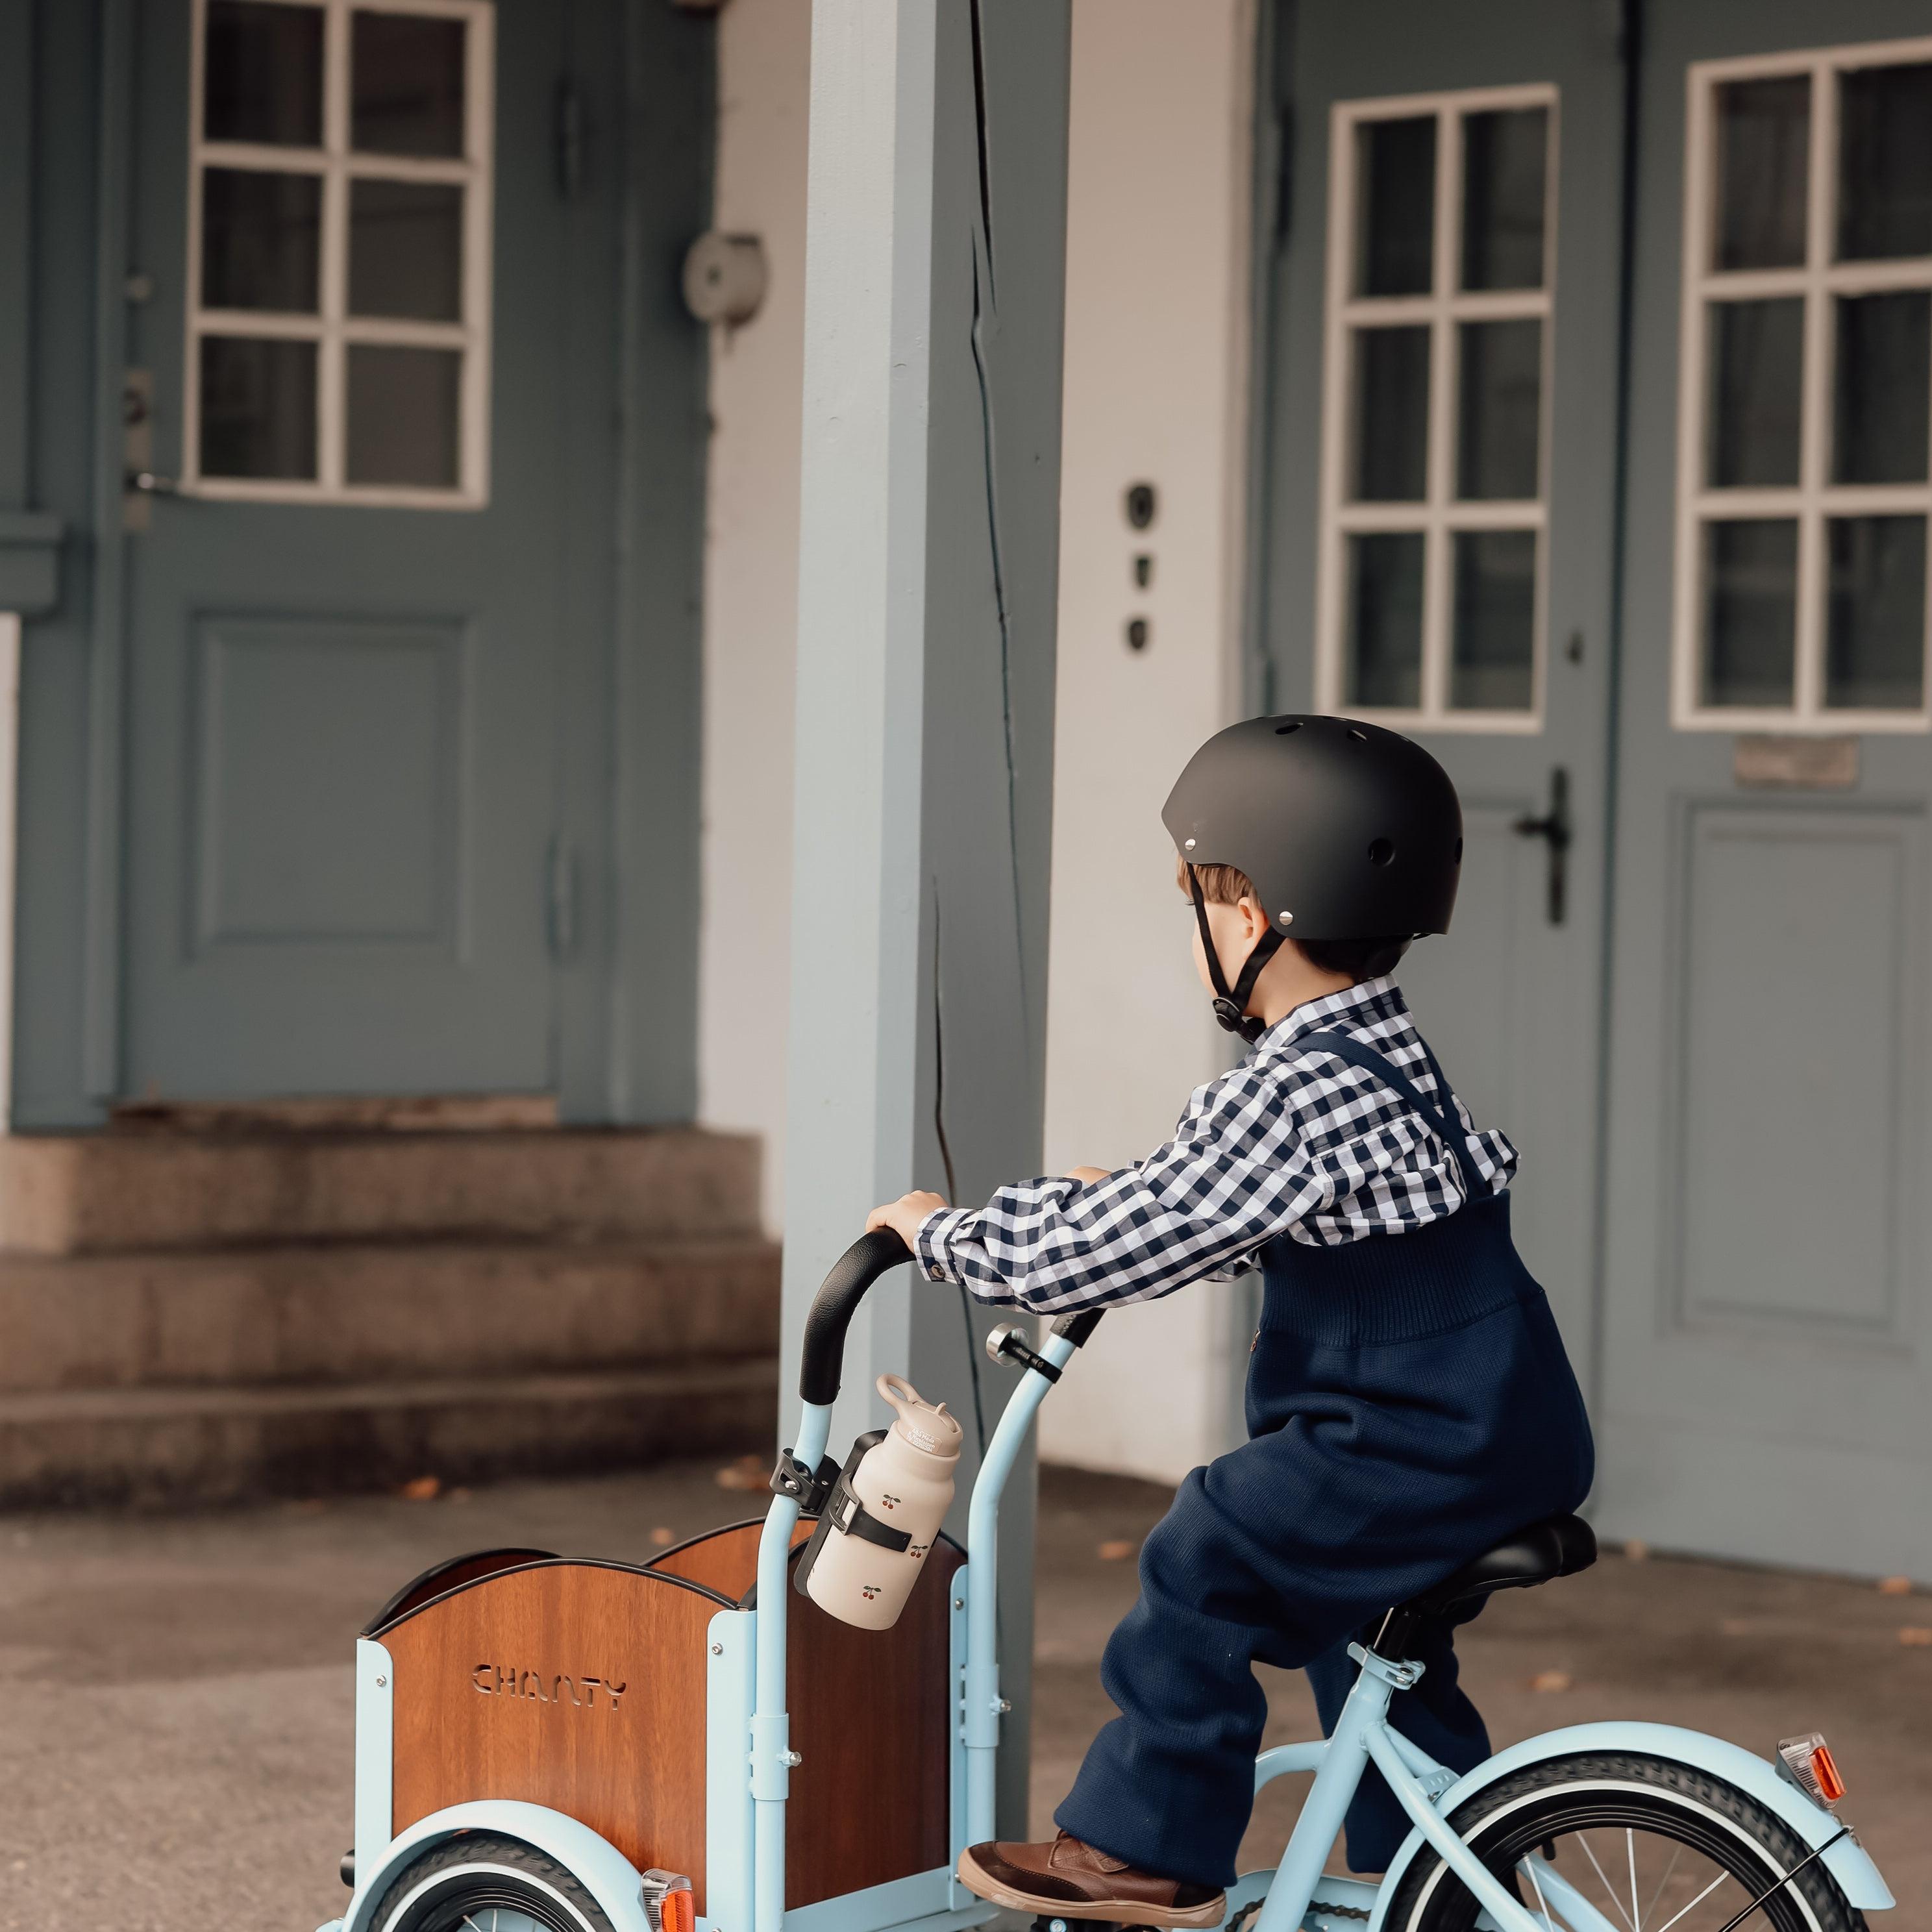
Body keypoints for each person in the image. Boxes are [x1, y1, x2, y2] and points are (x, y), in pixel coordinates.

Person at [867, 714, 1595, 1927]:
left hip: (1412, 1441)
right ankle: (1445, 1879)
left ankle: (1140, 1849)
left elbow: (1129, 1241)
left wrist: (939, 1235)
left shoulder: (1288, 1093)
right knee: (1370, 1637)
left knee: (1208, 1547)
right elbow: (1239, 1206)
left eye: (1200, 901)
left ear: (1253, 915)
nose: (1200, 929)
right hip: (1504, 1428)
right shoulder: (1383, 1051)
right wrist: (1123, 1196)